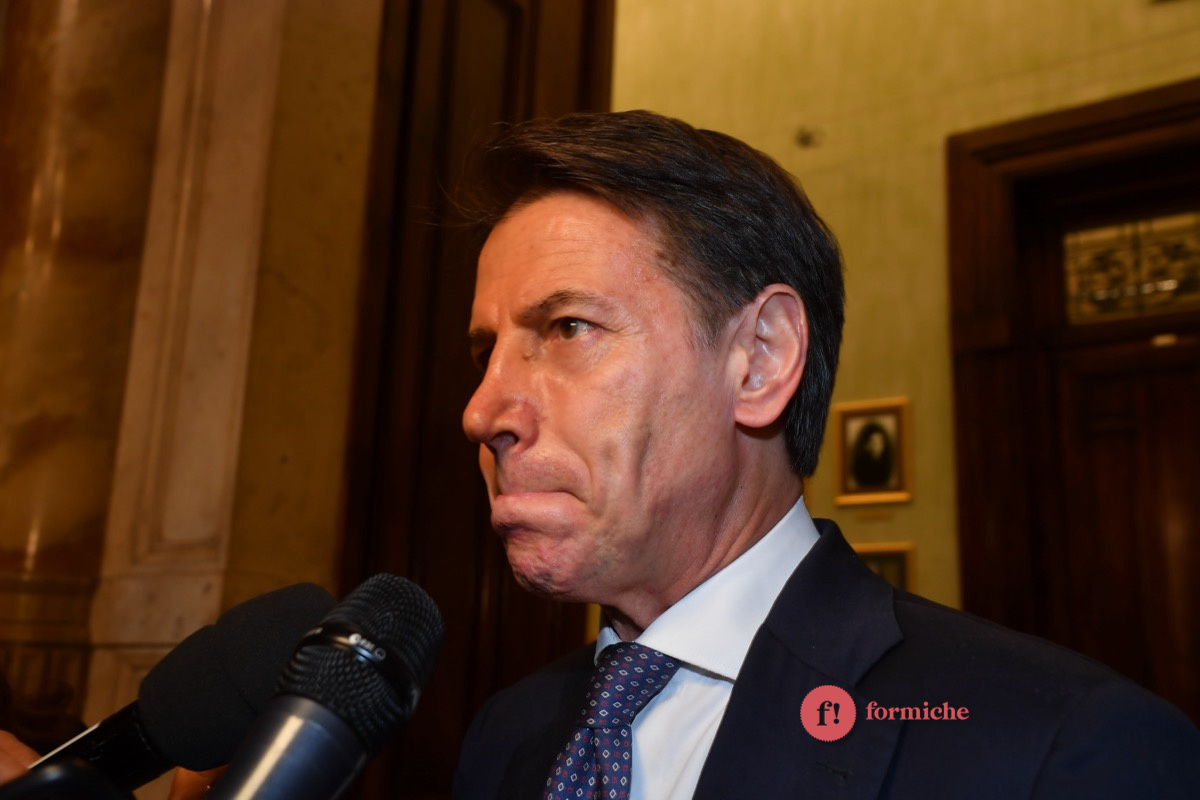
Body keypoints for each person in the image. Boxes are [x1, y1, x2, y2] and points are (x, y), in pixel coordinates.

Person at [450, 110, 1200, 799]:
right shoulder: (505, 735)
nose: (481, 412)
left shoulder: (1062, 748)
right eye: (487, 353)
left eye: (569, 328)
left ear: (760, 360)